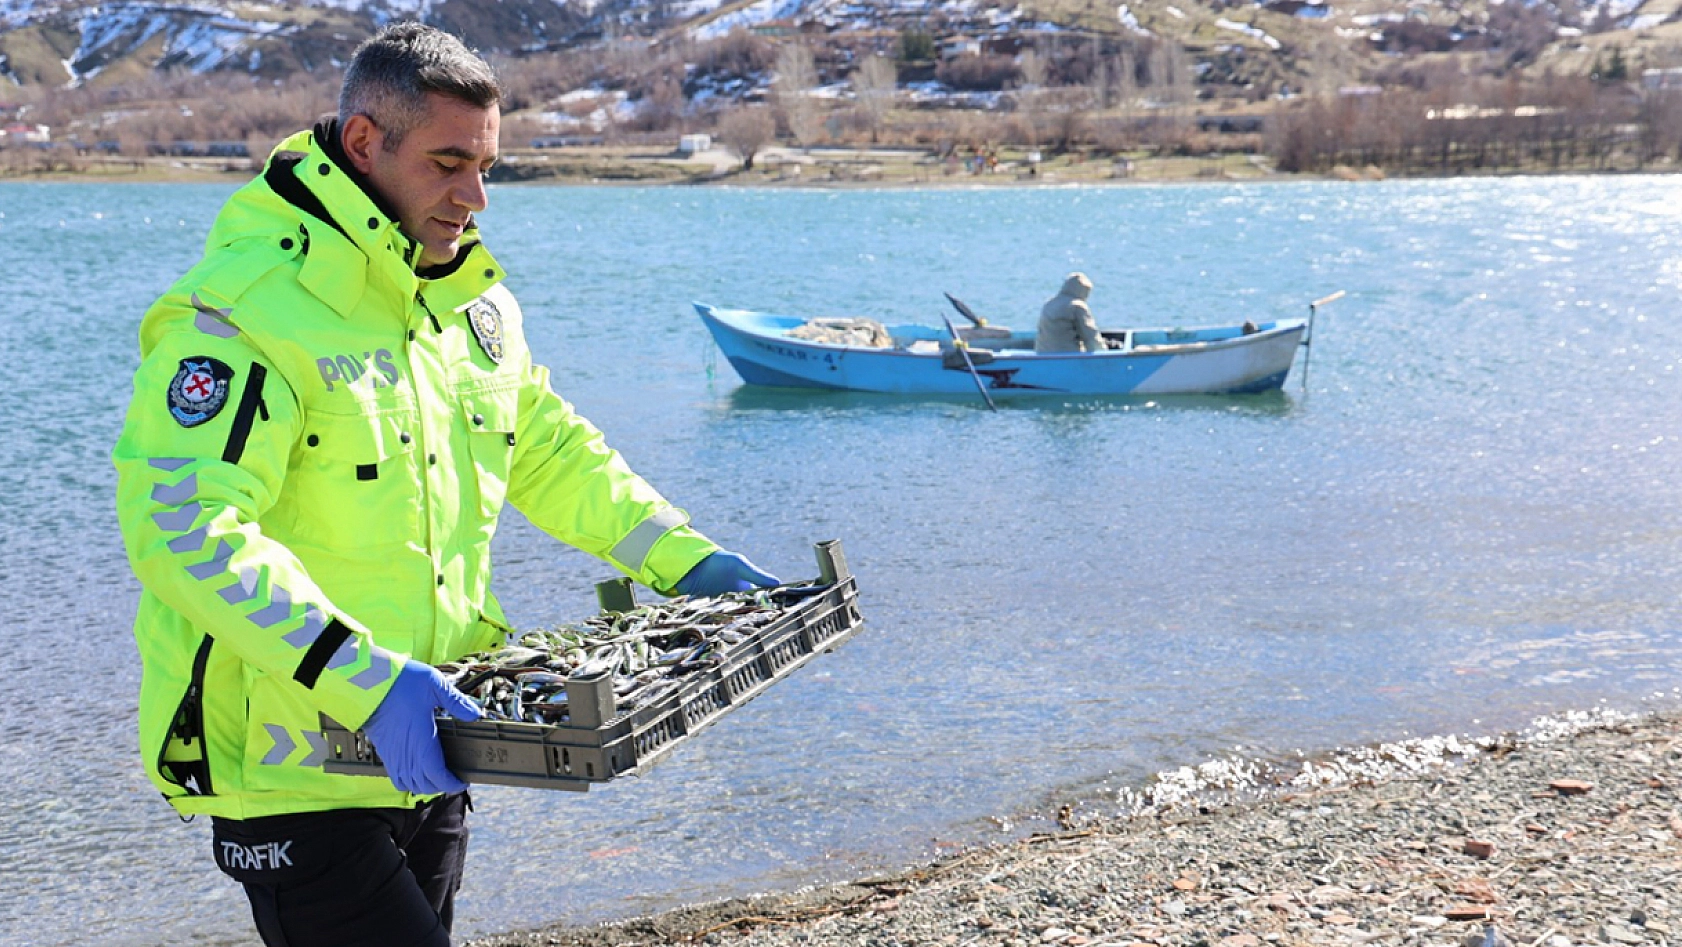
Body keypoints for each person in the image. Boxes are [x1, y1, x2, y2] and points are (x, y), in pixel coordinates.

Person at [111, 23, 777, 947]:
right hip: (291, 765)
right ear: (362, 144)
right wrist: (365, 680)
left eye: (487, 166)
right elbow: (184, 530)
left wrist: (684, 557)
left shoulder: (470, 301)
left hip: (436, 739)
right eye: (448, 163)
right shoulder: (242, 314)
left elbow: (547, 451)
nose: (475, 197)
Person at [1035, 271, 1107, 353]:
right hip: (1069, 357)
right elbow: (1091, 337)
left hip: (1044, 356)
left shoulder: (1049, 304)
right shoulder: (1077, 306)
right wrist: (1104, 353)